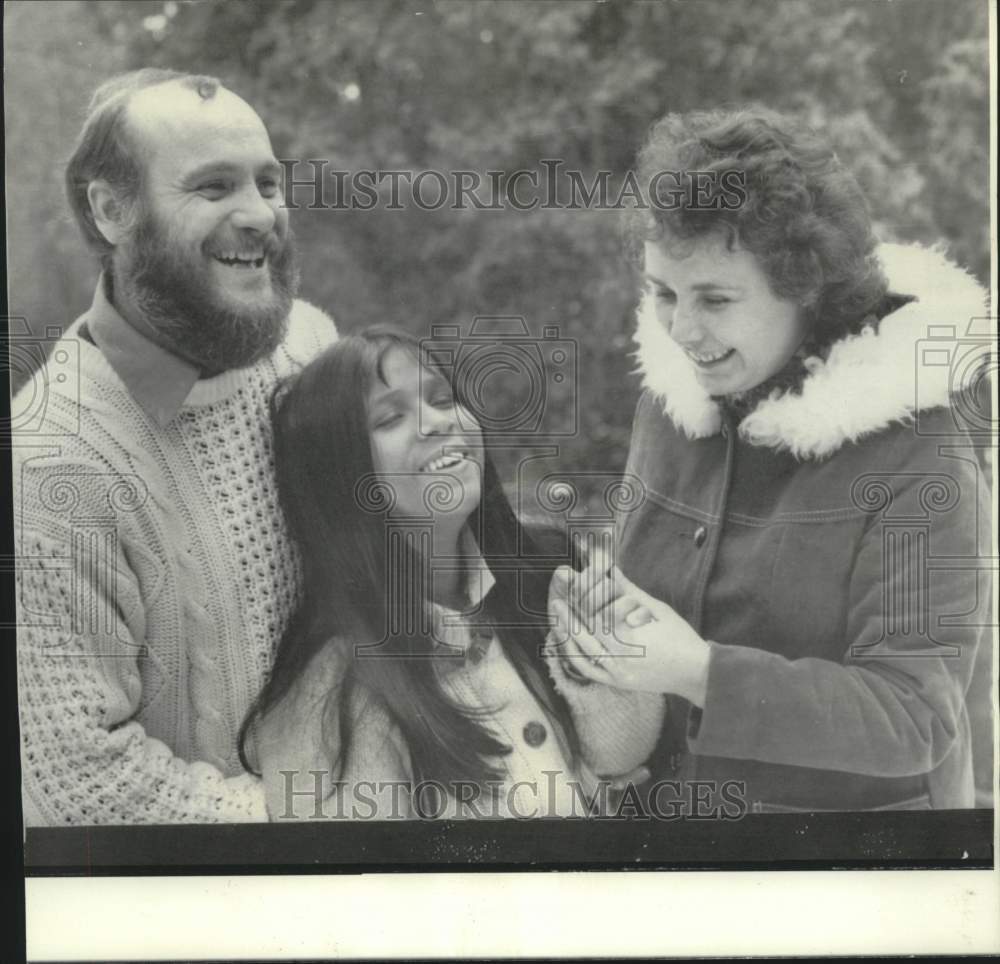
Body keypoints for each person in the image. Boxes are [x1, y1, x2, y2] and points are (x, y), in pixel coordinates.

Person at [552, 107, 992, 812]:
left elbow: (917, 719)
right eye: (664, 293)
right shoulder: (669, 409)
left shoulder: (921, 453)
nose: (683, 330)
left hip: (845, 873)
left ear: (804, 286)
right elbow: (646, 626)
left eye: (716, 299)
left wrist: (702, 673)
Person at [12, 69, 337, 824]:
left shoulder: (311, 347)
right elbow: (81, 783)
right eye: (214, 187)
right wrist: (325, 830)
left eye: (267, 182)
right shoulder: (47, 465)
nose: (259, 216)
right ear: (111, 208)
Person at [241, 328, 665, 819]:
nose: (438, 422)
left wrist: (592, 664)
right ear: (341, 477)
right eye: (390, 417)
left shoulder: (544, 566)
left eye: (442, 398)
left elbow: (625, 758)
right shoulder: (332, 695)